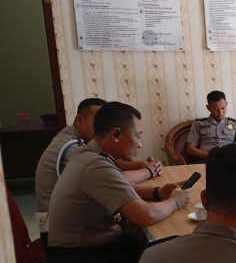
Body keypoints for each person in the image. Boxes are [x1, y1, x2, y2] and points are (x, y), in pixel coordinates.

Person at [46, 102, 191, 263]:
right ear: (115, 134)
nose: (140, 144)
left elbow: (121, 187)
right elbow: (143, 216)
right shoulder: (95, 165)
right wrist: (175, 201)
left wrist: (158, 192)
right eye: (138, 135)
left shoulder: (92, 156)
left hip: (92, 256)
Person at [35, 97, 164, 244]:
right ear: (79, 120)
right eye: (98, 119)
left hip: (73, 229)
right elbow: (143, 213)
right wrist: (152, 173)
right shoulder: (74, 150)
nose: (102, 124)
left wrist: (156, 189)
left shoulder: (86, 149)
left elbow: (115, 180)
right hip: (63, 235)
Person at [185, 90, 236, 162]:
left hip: (230, 161)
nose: (220, 113)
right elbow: (190, 149)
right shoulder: (198, 124)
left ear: (226, 105)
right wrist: (211, 155)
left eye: (223, 108)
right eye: (216, 109)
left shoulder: (235, 124)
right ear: (208, 108)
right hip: (207, 161)